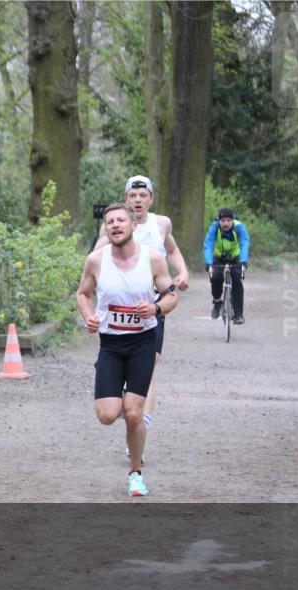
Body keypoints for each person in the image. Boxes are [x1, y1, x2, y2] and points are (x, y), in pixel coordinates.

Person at [77, 203, 179, 497]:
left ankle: (135, 474)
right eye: (110, 222)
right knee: (107, 415)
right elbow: (83, 294)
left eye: (121, 220)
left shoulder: (153, 258)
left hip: (142, 342)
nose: (115, 225)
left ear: (134, 226)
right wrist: (89, 316)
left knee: (134, 414)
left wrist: (156, 308)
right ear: (106, 229)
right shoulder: (96, 260)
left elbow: (172, 296)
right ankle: (126, 395)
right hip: (110, 345)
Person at [94, 175, 189, 459]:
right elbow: (97, 253)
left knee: (152, 361)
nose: (137, 200)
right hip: (119, 311)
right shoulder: (114, 225)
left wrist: (183, 271)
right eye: (132, 196)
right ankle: (129, 404)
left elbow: (172, 249)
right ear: (126, 199)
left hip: (152, 305)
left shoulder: (162, 223)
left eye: (142, 195)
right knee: (116, 401)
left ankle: (141, 420)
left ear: (151, 199)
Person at [203, 207, 250, 325]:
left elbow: (244, 243)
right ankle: (217, 301)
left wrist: (243, 261)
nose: (226, 223)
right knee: (215, 277)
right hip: (218, 258)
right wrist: (209, 263)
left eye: (228, 220)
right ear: (218, 221)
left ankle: (238, 314)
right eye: (223, 221)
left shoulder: (239, 227)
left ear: (233, 220)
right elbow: (209, 244)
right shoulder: (214, 228)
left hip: (235, 258)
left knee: (237, 281)